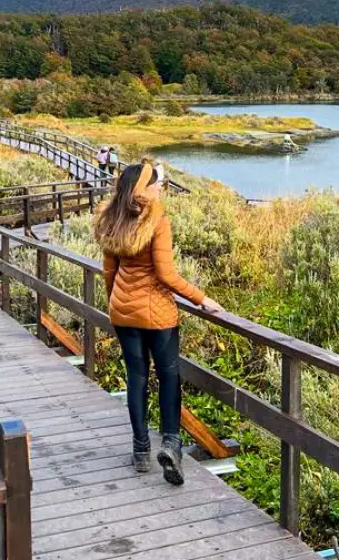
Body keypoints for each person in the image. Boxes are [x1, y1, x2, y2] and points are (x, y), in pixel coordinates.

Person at [93, 160, 223, 485]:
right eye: (156, 182)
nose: (159, 187)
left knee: (135, 378)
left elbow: (109, 272)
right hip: (157, 315)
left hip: (124, 313)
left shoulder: (112, 217)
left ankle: (140, 451)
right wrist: (200, 298)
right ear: (144, 189)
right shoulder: (157, 219)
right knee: (168, 376)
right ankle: (171, 444)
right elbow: (166, 275)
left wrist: (116, 304)